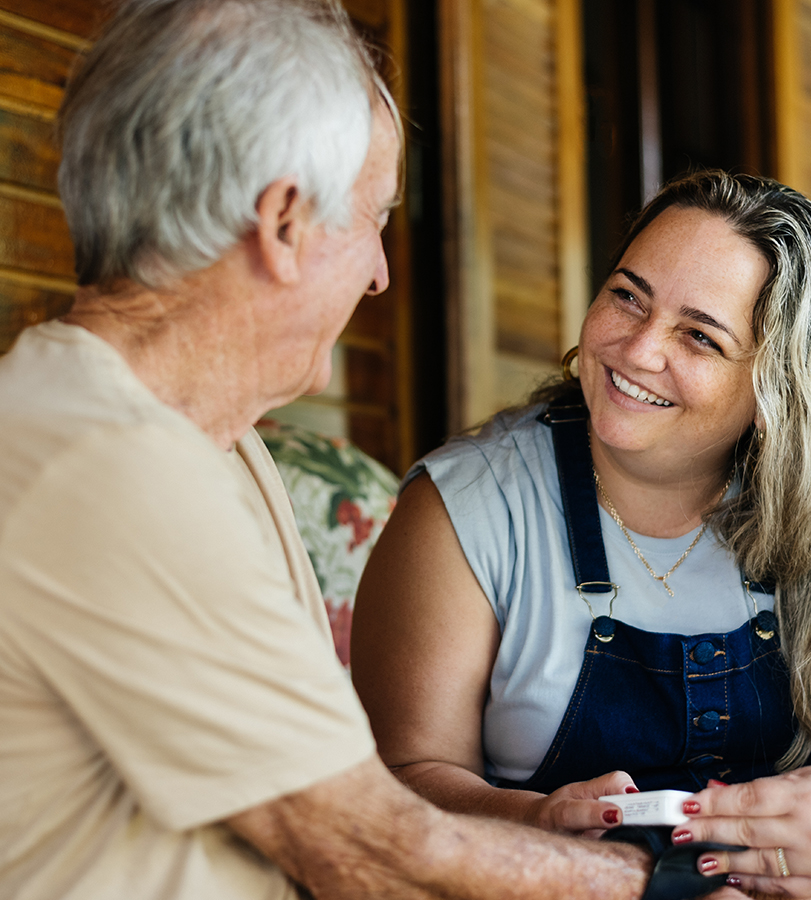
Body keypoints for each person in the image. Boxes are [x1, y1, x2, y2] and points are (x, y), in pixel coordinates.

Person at [0, 2, 743, 899]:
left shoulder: (203, 446)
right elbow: (369, 851)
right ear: (282, 222)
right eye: (371, 221)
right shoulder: (109, 466)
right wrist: (662, 883)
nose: (381, 272)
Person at [352, 169, 811, 900]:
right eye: (626, 296)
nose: (638, 350)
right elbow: (399, 781)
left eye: (699, 336)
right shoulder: (466, 508)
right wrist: (539, 822)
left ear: (778, 388)